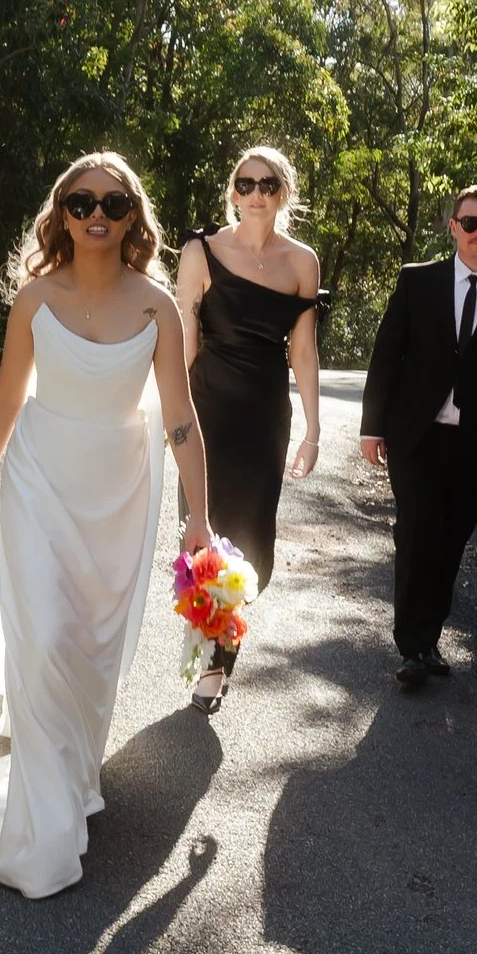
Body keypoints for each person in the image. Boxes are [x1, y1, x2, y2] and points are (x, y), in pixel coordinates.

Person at [0, 153, 211, 898]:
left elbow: (179, 416)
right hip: (39, 483)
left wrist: (199, 518)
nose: (97, 213)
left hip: (120, 492)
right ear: (62, 212)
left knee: (91, 649)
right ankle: (44, 829)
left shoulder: (159, 307)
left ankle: (73, 774)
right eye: (81, 200)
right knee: (48, 635)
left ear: (132, 218)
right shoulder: (34, 301)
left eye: (113, 203)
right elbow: (4, 406)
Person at [359, 184, 477, 691]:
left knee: (451, 541)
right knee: (418, 529)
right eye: (471, 223)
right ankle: (413, 645)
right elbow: (386, 355)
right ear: (453, 227)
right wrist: (371, 425)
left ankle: (426, 637)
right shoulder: (417, 282)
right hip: (414, 435)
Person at [174, 144, 323, 711]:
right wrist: (172, 413)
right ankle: (212, 663)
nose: (255, 194)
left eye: (267, 185)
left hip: (266, 418)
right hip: (208, 410)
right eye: (245, 184)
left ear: (283, 194)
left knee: (253, 544)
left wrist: (312, 430)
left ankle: (217, 641)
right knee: (205, 532)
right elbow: (185, 342)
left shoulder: (302, 262)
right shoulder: (200, 251)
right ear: (232, 192)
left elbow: (303, 351)